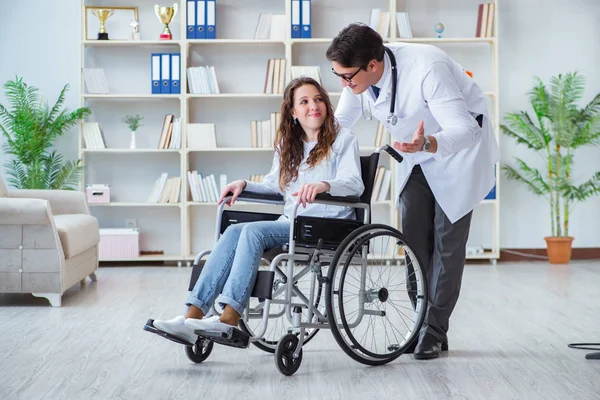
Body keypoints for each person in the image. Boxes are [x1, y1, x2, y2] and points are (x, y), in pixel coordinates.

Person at [326, 23, 500, 360]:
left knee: (447, 245)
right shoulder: (357, 76)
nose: (344, 85)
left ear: (372, 66)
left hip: (458, 149)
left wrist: (430, 143)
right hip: (414, 151)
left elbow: (462, 129)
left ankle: (433, 331)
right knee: (414, 241)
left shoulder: (427, 67)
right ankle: (419, 321)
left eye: (347, 78)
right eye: (340, 77)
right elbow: (339, 125)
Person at [151, 77, 365, 344]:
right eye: (305, 101)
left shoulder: (343, 140)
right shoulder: (289, 146)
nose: (314, 106)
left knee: (252, 232)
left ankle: (229, 319)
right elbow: (275, 186)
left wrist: (325, 185)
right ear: (293, 112)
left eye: (318, 99)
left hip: (326, 225)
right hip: (293, 223)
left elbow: (354, 184)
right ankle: (191, 316)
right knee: (233, 231)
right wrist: (244, 184)